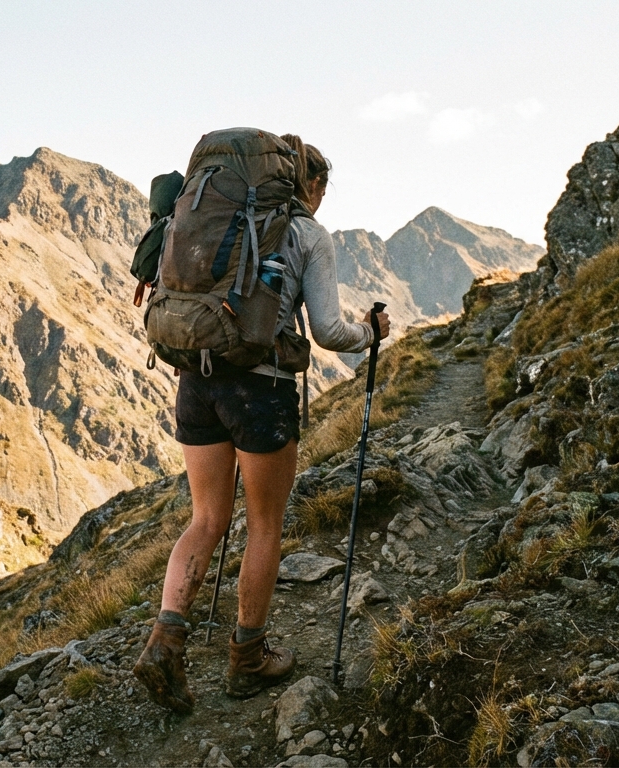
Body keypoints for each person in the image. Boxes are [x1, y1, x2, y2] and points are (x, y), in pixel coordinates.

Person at [133, 134, 391, 713]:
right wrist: (371, 333)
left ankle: (165, 643)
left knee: (206, 519)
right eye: (323, 190)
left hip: (196, 379)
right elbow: (329, 331)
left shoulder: (209, 214)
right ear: (311, 183)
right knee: (264, 525)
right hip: (260, 390)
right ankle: (247, 657)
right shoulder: (307, 232)